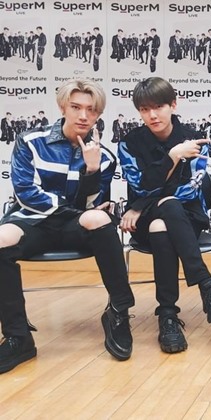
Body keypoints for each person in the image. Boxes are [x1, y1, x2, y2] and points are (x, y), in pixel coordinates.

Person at [0, 79, 135, 374]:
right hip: (34, 221)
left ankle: (118, 313)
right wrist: (74, 209)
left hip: (75, 227)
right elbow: (27, 194)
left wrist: (91, 169)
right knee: (1, 238)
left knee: (100, 219)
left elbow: (94, 206)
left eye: (91, 110)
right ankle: (18, 337)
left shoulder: (104, 158)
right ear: (63, 108)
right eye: (76, 107)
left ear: (99, 115)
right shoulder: (30, 142)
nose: (83, 116)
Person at [117, 77, 211, 354]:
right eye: (145, 109)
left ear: (173, 104)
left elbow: (189, 189)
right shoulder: (130, 143)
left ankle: (167, 315)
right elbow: (139, 185)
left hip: (186, 217)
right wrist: (172, 157)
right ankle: (207, 285)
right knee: (165, 210)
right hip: (145, 217)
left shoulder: (195, 139)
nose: (152, 115)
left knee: (163, 222)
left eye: (158, 107)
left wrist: (144, 201)